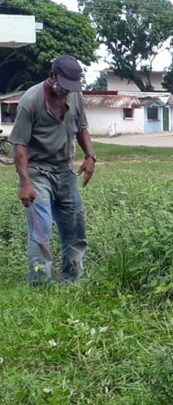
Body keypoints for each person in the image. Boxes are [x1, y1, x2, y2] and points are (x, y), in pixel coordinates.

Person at [9, 55, 96, 286]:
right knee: (41, 230)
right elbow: (20, 146)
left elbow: (82, 128)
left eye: (72, 86)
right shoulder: (31, 100)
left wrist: (90, 156)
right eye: (64, 85)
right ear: (52, 76)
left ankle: (71, 280)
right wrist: (25, 182)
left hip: (65, 170)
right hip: (37, 172)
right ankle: (41, 285)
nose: (67, 91)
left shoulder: (75, 96)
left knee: (75, 228)